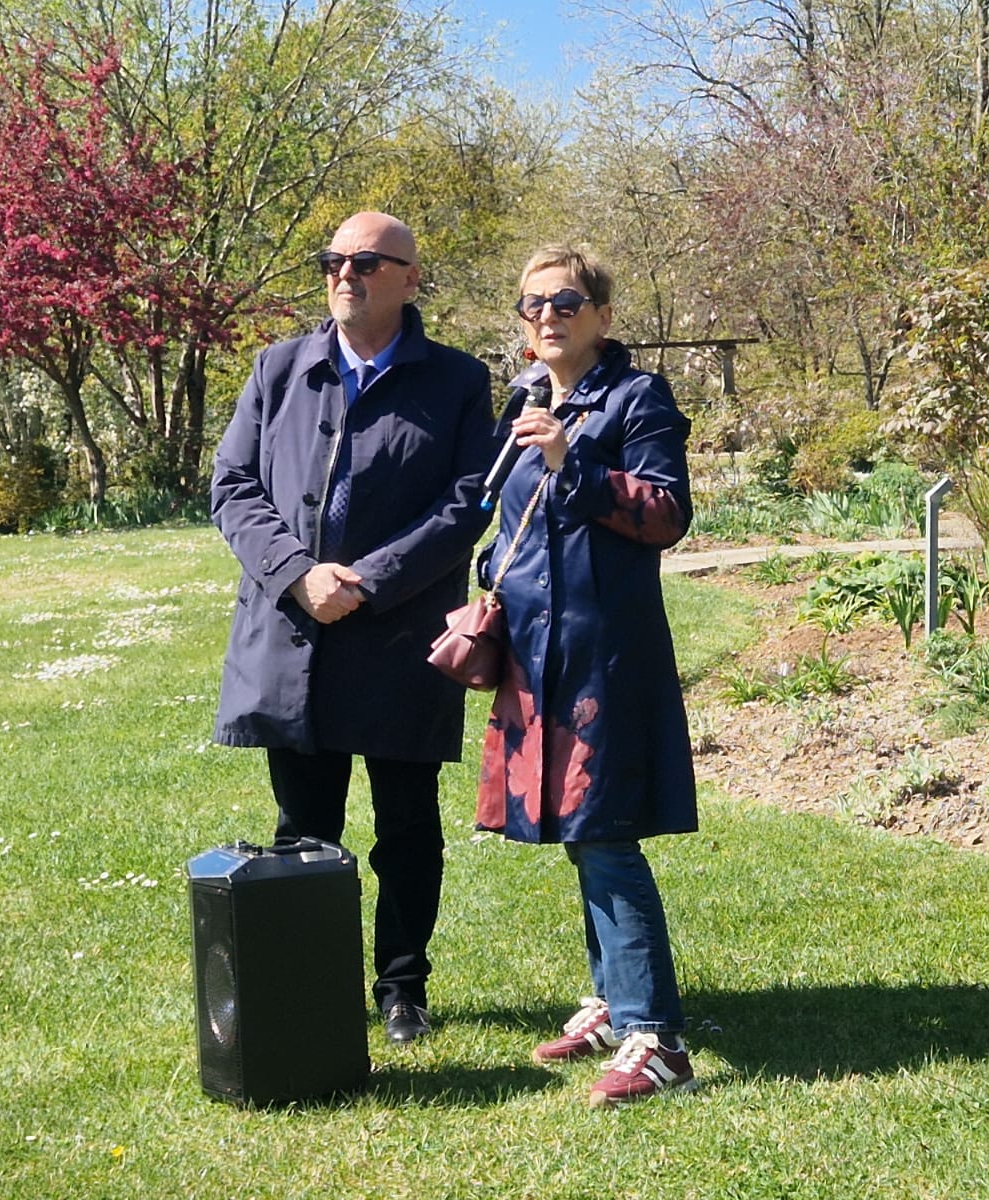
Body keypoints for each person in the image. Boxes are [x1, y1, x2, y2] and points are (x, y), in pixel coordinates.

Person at [211, 211, 495, 1044]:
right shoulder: (278, 368)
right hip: (295, 633)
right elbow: (232, 484)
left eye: (366, 262)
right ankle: (315, 987)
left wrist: (367, 580)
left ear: (410, 278)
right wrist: (298, 574)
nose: (345, 274)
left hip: (399, 638)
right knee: (304, 832)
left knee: (406, 828)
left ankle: (403, 989)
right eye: (333, 260)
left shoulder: (454, 380)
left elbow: (466, 504)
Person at [475, 244, 698, 1106]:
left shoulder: (638, 398)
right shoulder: (527, 400)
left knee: (604, 833)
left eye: (566, 303)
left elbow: (666, 514)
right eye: (533, 305)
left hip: (605, 651)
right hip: (537, 651)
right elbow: (514, 520)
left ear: (602, 317)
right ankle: (612, 1003)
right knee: (579, 829)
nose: (547, 318)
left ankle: (657, 1040)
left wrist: (577, 462)